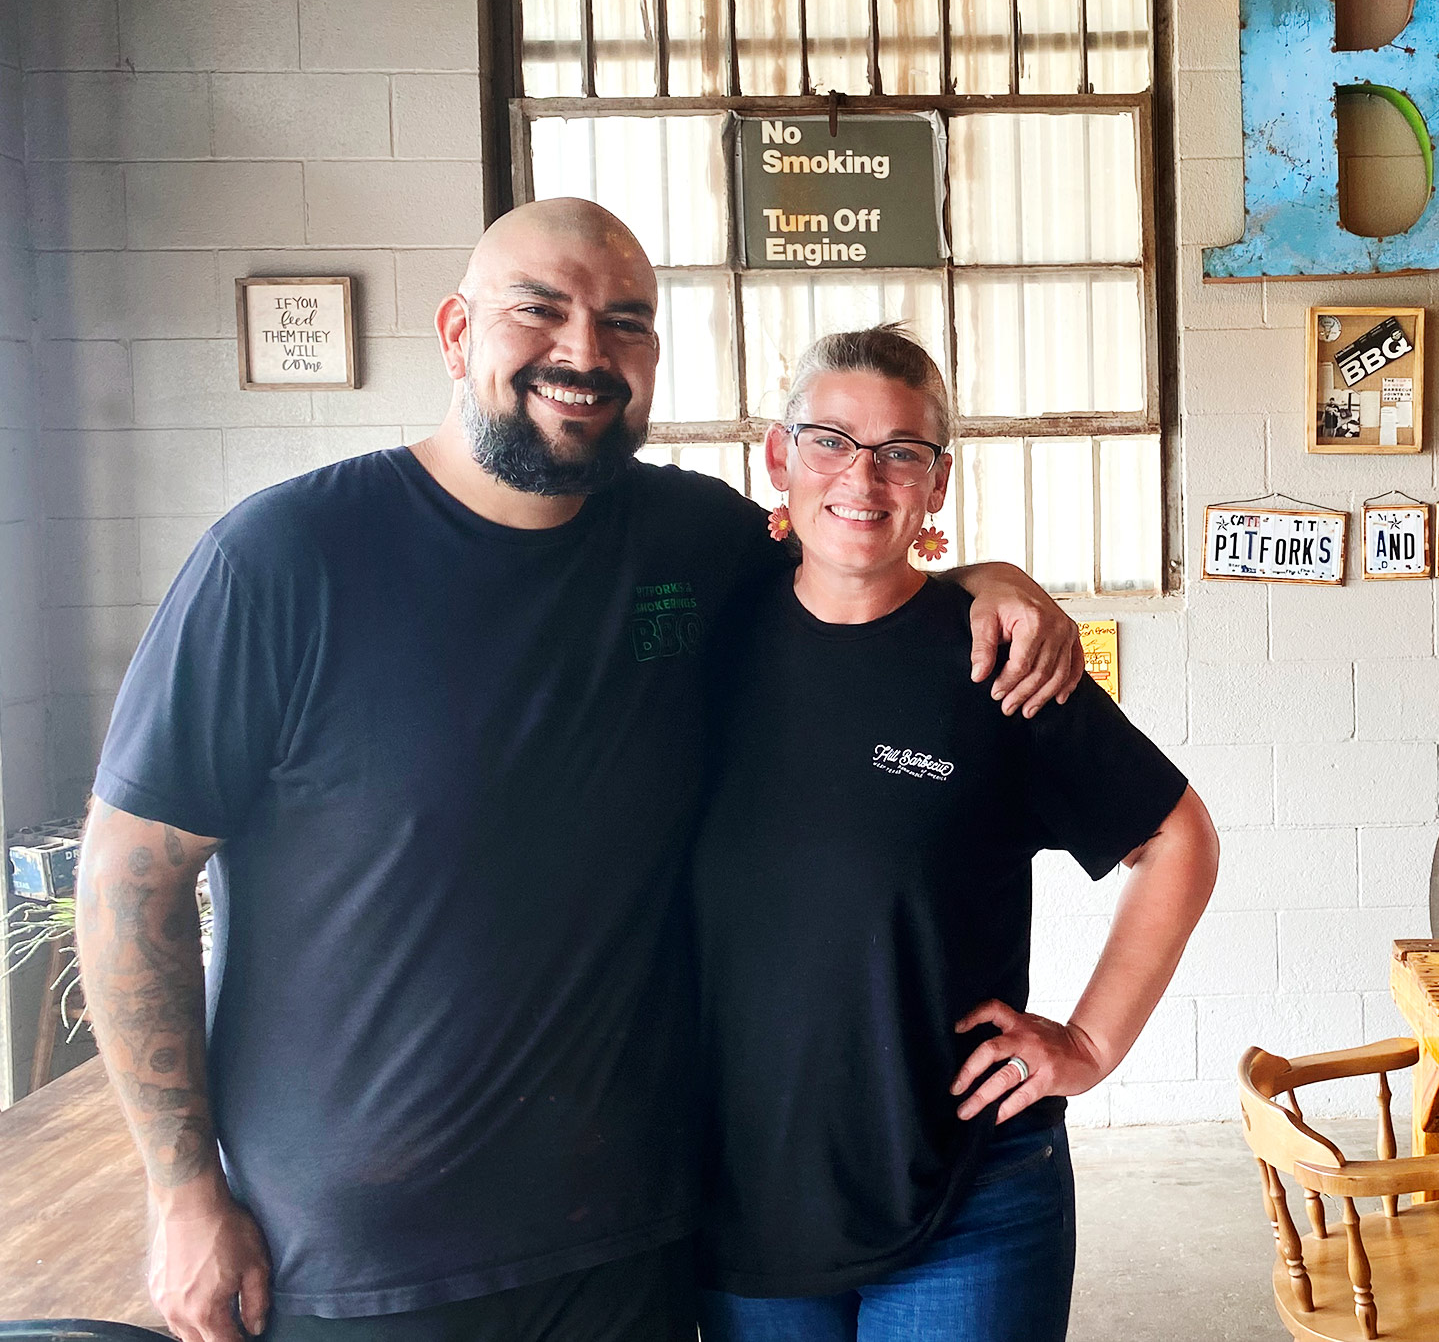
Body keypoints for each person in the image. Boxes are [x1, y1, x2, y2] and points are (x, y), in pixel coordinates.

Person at [75, 199, 1086, 1342]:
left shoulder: (693, 540)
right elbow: (129, 879)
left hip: (632, 1246)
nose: (583, 352)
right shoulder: (286, 558)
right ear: (458, 333)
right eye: (539, 310)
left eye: (626, 323)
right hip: (359, 1262)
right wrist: (181, 1188)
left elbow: (854, 563)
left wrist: (989, 581)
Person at [691, 327, 1218, 1342]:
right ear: (776, 456)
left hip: (973, 1189)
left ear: (937, 484)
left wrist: (1091, 1041)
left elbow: (1179, 839)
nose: (864, 475)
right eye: (831, 441)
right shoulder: (702, 646)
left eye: (902, 452)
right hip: (745, 1190)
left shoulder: (999, 661)